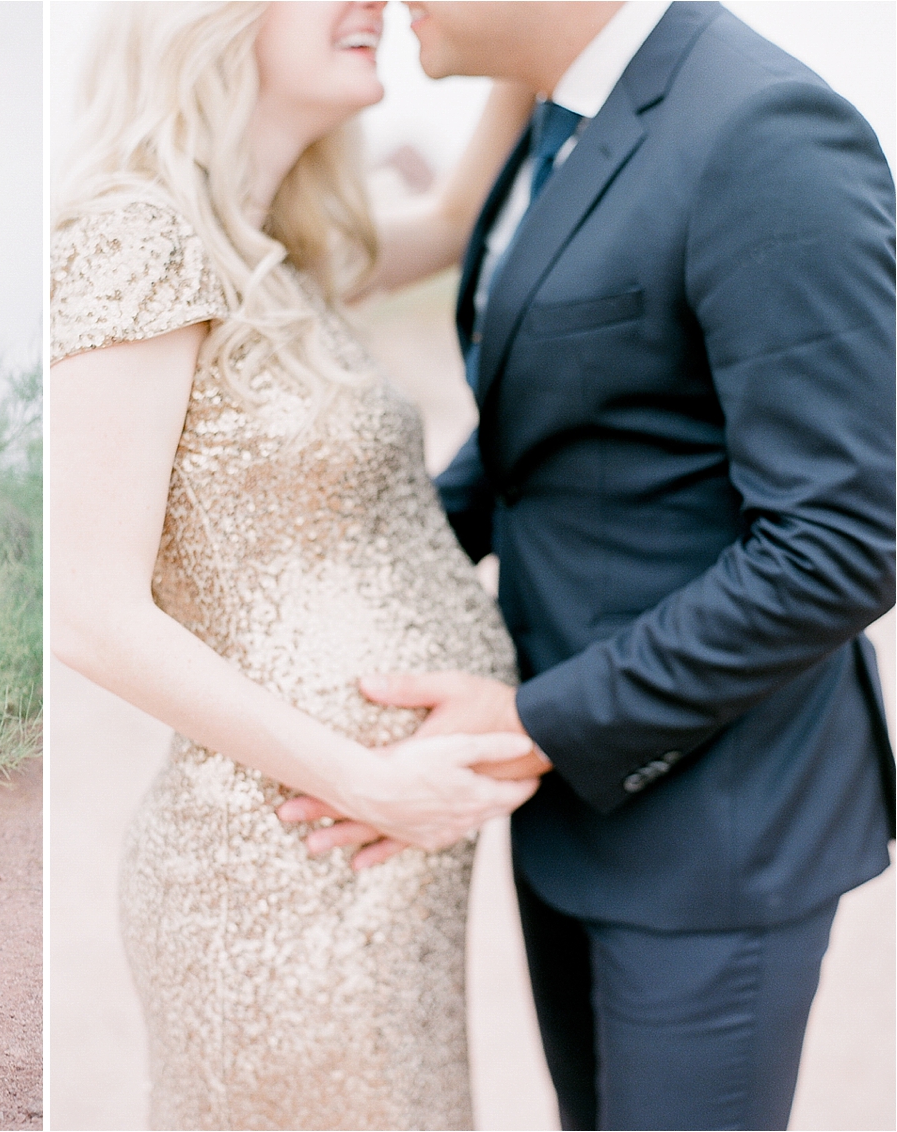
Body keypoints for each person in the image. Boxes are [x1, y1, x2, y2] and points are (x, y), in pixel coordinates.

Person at [304, 3, 892, 1128]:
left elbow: (842, 541)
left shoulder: (765, 132)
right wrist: (330, 580)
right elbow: (552, 431)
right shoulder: (561, 117)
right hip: (572, 807)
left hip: (716, 830)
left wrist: (536, 724)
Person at [51, 4, 550, 1127]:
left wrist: (534, 36)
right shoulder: (138, 237)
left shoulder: (280, 250)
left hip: (377, 868)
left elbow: (460, 213)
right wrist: (369, 780)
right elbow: (84, 609)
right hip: (280, 862)